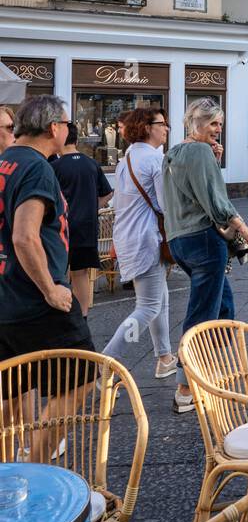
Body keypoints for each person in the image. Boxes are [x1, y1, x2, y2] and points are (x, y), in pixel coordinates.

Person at [163, 97, 248, 414]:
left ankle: (206, 370)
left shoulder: (174, 152)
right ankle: (185, 386)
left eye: (220, 123)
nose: (218, 130)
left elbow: (192, 191)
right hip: (203, 240)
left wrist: (213, 161)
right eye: (213, 123)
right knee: (202, 313)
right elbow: (215, 201)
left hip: (180, 241)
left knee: (224, 305)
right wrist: (245, 230)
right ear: (196, 122)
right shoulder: (199, 151)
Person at [0, 96, 97, 367]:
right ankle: (50, 415)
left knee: (15, 390)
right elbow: (24, 236)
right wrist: (50, 290)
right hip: (37, 301)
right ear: (54, 128)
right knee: (81, 379)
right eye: (67, 123)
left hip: (9, 294)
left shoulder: (7, 160)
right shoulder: (37, 167)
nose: (68, 130)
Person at [102, 108, 177, 379]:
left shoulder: (129, 157)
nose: (166, 128)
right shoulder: (156, 160)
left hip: (128, 237)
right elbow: (166, 205)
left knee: (160, 298)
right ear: (147, 128)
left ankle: (165, 357)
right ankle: (105, 364)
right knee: (147, 307)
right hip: (146, 239)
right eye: (162, 123)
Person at [50, 122, 112, 316]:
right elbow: (108, 193)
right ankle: (82, 315)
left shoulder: (54, 166)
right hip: (87, 227)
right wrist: (92, 207)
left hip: (62, 228)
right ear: (76, 140)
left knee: (57, 272)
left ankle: (62, 314)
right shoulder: (91, 163)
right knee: (81, 274)